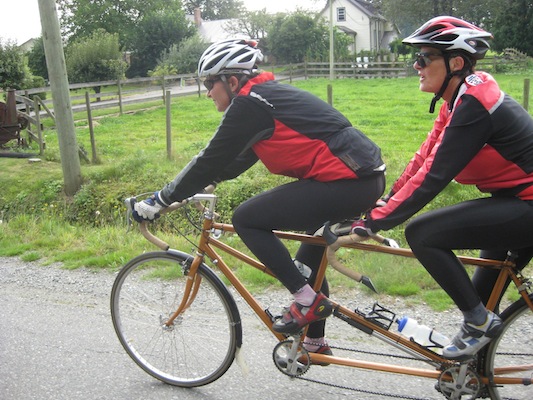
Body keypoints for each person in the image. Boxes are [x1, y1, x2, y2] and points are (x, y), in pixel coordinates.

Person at [131, 39, 386, 358]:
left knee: (247, 219)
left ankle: (307, 301)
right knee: (308, 264)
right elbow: (241, 157)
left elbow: (209, 158)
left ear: (231, 81)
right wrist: (210, 181)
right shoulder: (265, 97)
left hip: (346, 182)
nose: (208, 92)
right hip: (362, 180)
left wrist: (159, 200)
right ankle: (314, 343)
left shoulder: (250, 103)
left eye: (210, 83)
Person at [352, 16, 533, 360]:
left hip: (526, 203)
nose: (416, 66)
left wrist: (376, 221)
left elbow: (435, 176)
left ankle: (478, 326)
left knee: (422, 233)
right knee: (480, 307)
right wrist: (385, 201)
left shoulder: (475, 103)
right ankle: (472, 376)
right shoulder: (458, 99)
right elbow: (424, 159)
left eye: (424, 58)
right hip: (515, 201)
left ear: (456, 63)